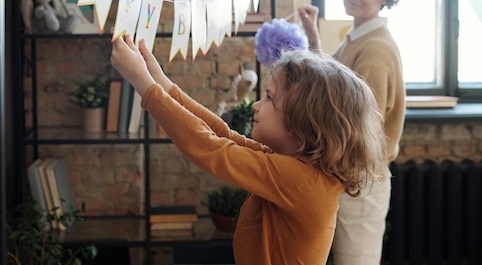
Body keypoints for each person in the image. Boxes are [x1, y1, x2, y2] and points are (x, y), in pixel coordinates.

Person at [111, 35, 388, 265]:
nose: (256, 105)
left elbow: (211, 149)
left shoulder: (300, 180)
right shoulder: (292, 165)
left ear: (301, 120)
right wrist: (161, 82)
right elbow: (223, 135)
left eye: (268, 97)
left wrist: (144, 85)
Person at [299, 0, 406, 265]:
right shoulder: (357, 36)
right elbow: (335, 80)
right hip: (350, 175)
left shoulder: (374, 48)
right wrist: (313, 38)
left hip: (360, 177)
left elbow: (363, 122)